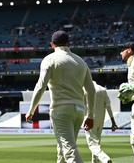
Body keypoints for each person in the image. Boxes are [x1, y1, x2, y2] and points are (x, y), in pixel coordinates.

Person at [26, 30, 96, 163]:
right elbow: (91, 90)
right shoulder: (81, 61)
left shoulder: (50, 59)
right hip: (80, 110)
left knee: (68, 149)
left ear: (52, 44)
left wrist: (31, 110)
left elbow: (41, 86)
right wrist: (90, 115)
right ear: (68, 43)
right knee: (63, 148)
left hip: (61, 109)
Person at [85, 81, 117, 163]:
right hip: (100, 120)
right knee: (97, 143)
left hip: (90, 119)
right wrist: (113, 121)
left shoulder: (86, 89)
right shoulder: (103, 89)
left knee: (92, 144)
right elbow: (108, 106)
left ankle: (105, 159)